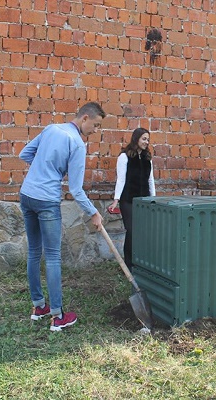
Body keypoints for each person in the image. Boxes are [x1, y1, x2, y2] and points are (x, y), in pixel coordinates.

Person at [19, 102, 106, 331]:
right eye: (95, 126)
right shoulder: (76, 143)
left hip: (27, 194)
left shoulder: (50, 129)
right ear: (84, 118)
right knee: (54, 257)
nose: (95, 131)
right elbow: (76, 190)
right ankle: (57, 317)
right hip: (46, 200)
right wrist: (94, 213)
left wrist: (43, 167)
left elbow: (24, 154)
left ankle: (39, 307)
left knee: (34, 252)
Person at [108, 128, 156, 269]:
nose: (146, 142)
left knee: (142, 231)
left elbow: (151, 180)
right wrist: (116, 200)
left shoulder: (148, 158)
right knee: (132, 230)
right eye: (144, 139)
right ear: (136, 139)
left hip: (144, 201)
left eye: (148, 139)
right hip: (128, 200)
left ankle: (140, 261)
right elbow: (121, 180)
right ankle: (129, 264)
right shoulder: (124, 157)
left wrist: (153, 199)